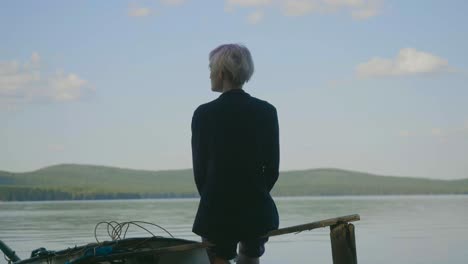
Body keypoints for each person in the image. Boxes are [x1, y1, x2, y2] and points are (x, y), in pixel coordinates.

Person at [191, 44, 280, 264]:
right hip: (257, 207)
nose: (210, 74)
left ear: (221, 73)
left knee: (218, 255)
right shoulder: (267, 111)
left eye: (211, 68)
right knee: (250, 254)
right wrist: (254, 193)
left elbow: (200, 172)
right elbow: (272, 169)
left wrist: (215, 198)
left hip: (216, 208)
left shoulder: (203, 114)